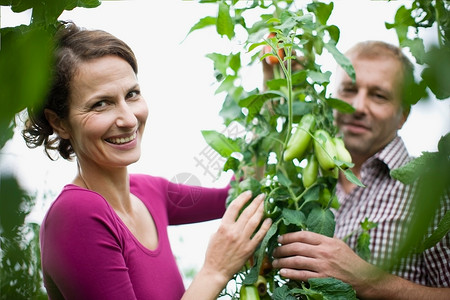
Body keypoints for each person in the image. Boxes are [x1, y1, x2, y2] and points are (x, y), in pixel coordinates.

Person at [22, 21, 272, 300]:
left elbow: (236, 194)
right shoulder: (76, 215)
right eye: (100, 104)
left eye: (132, 94)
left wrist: (271, 100)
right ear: (60, 123)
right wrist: (215, 271)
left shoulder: (149, 192)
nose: (129, 119)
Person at [270, 41, 450, 299]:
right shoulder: (303, 188)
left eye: (379, 95)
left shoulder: (430, 191)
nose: (357, 107)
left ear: (403, 114)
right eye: (348, 90)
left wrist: (370, 282)